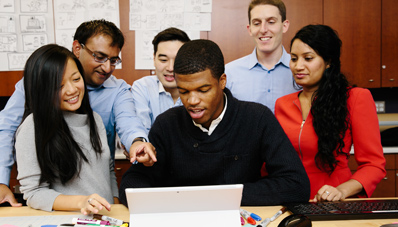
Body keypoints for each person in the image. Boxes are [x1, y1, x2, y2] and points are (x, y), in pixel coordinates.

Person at [119, 39, 310, 206]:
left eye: (203, 90)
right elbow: (131, 185)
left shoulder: (257, 118)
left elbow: (296, 185)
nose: (192, 101)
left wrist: (218, 197)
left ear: (222, 81)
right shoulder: (167, 124)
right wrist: (179, 201)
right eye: (184, 91)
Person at [0, 19, 156, 206]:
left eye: (113, 60)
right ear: (77, 48)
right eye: (99, 57)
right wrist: (1, 181)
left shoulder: (101, 110)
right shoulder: (37, 87)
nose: (107, 68)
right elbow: (7, 129)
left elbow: (128, 125)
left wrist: (138, 143)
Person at [274, 24, 386, 202]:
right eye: (294, 59)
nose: (298, 66)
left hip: (333, 202)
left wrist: (340, 191)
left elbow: (374, 165)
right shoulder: (283, 104)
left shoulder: (355, 98)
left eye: (308, 58)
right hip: (292, 200)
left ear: (328, 62)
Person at [16, 44, 117, 214]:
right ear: (42, 90)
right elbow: (34, 193)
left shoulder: (95, 119)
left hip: (107, 219)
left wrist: (115, 204)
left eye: (76, 79)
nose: (72, 90)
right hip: (71, 220)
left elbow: (108, 169)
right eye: (58, 86)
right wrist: (82, 202)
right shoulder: (32, 127)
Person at [225, 0, 296, 112]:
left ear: (284, 26)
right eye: (257, 23)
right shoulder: (229, 73)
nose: (263, 30)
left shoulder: (301, 71)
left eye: (271, 22)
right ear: (250, 29)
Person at [131, 27, 190, 134]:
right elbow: (140, 132)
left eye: (178, 61)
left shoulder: (199, 91)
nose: (171, 68)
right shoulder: (142, 87)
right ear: (154, 58)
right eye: (163, 60)